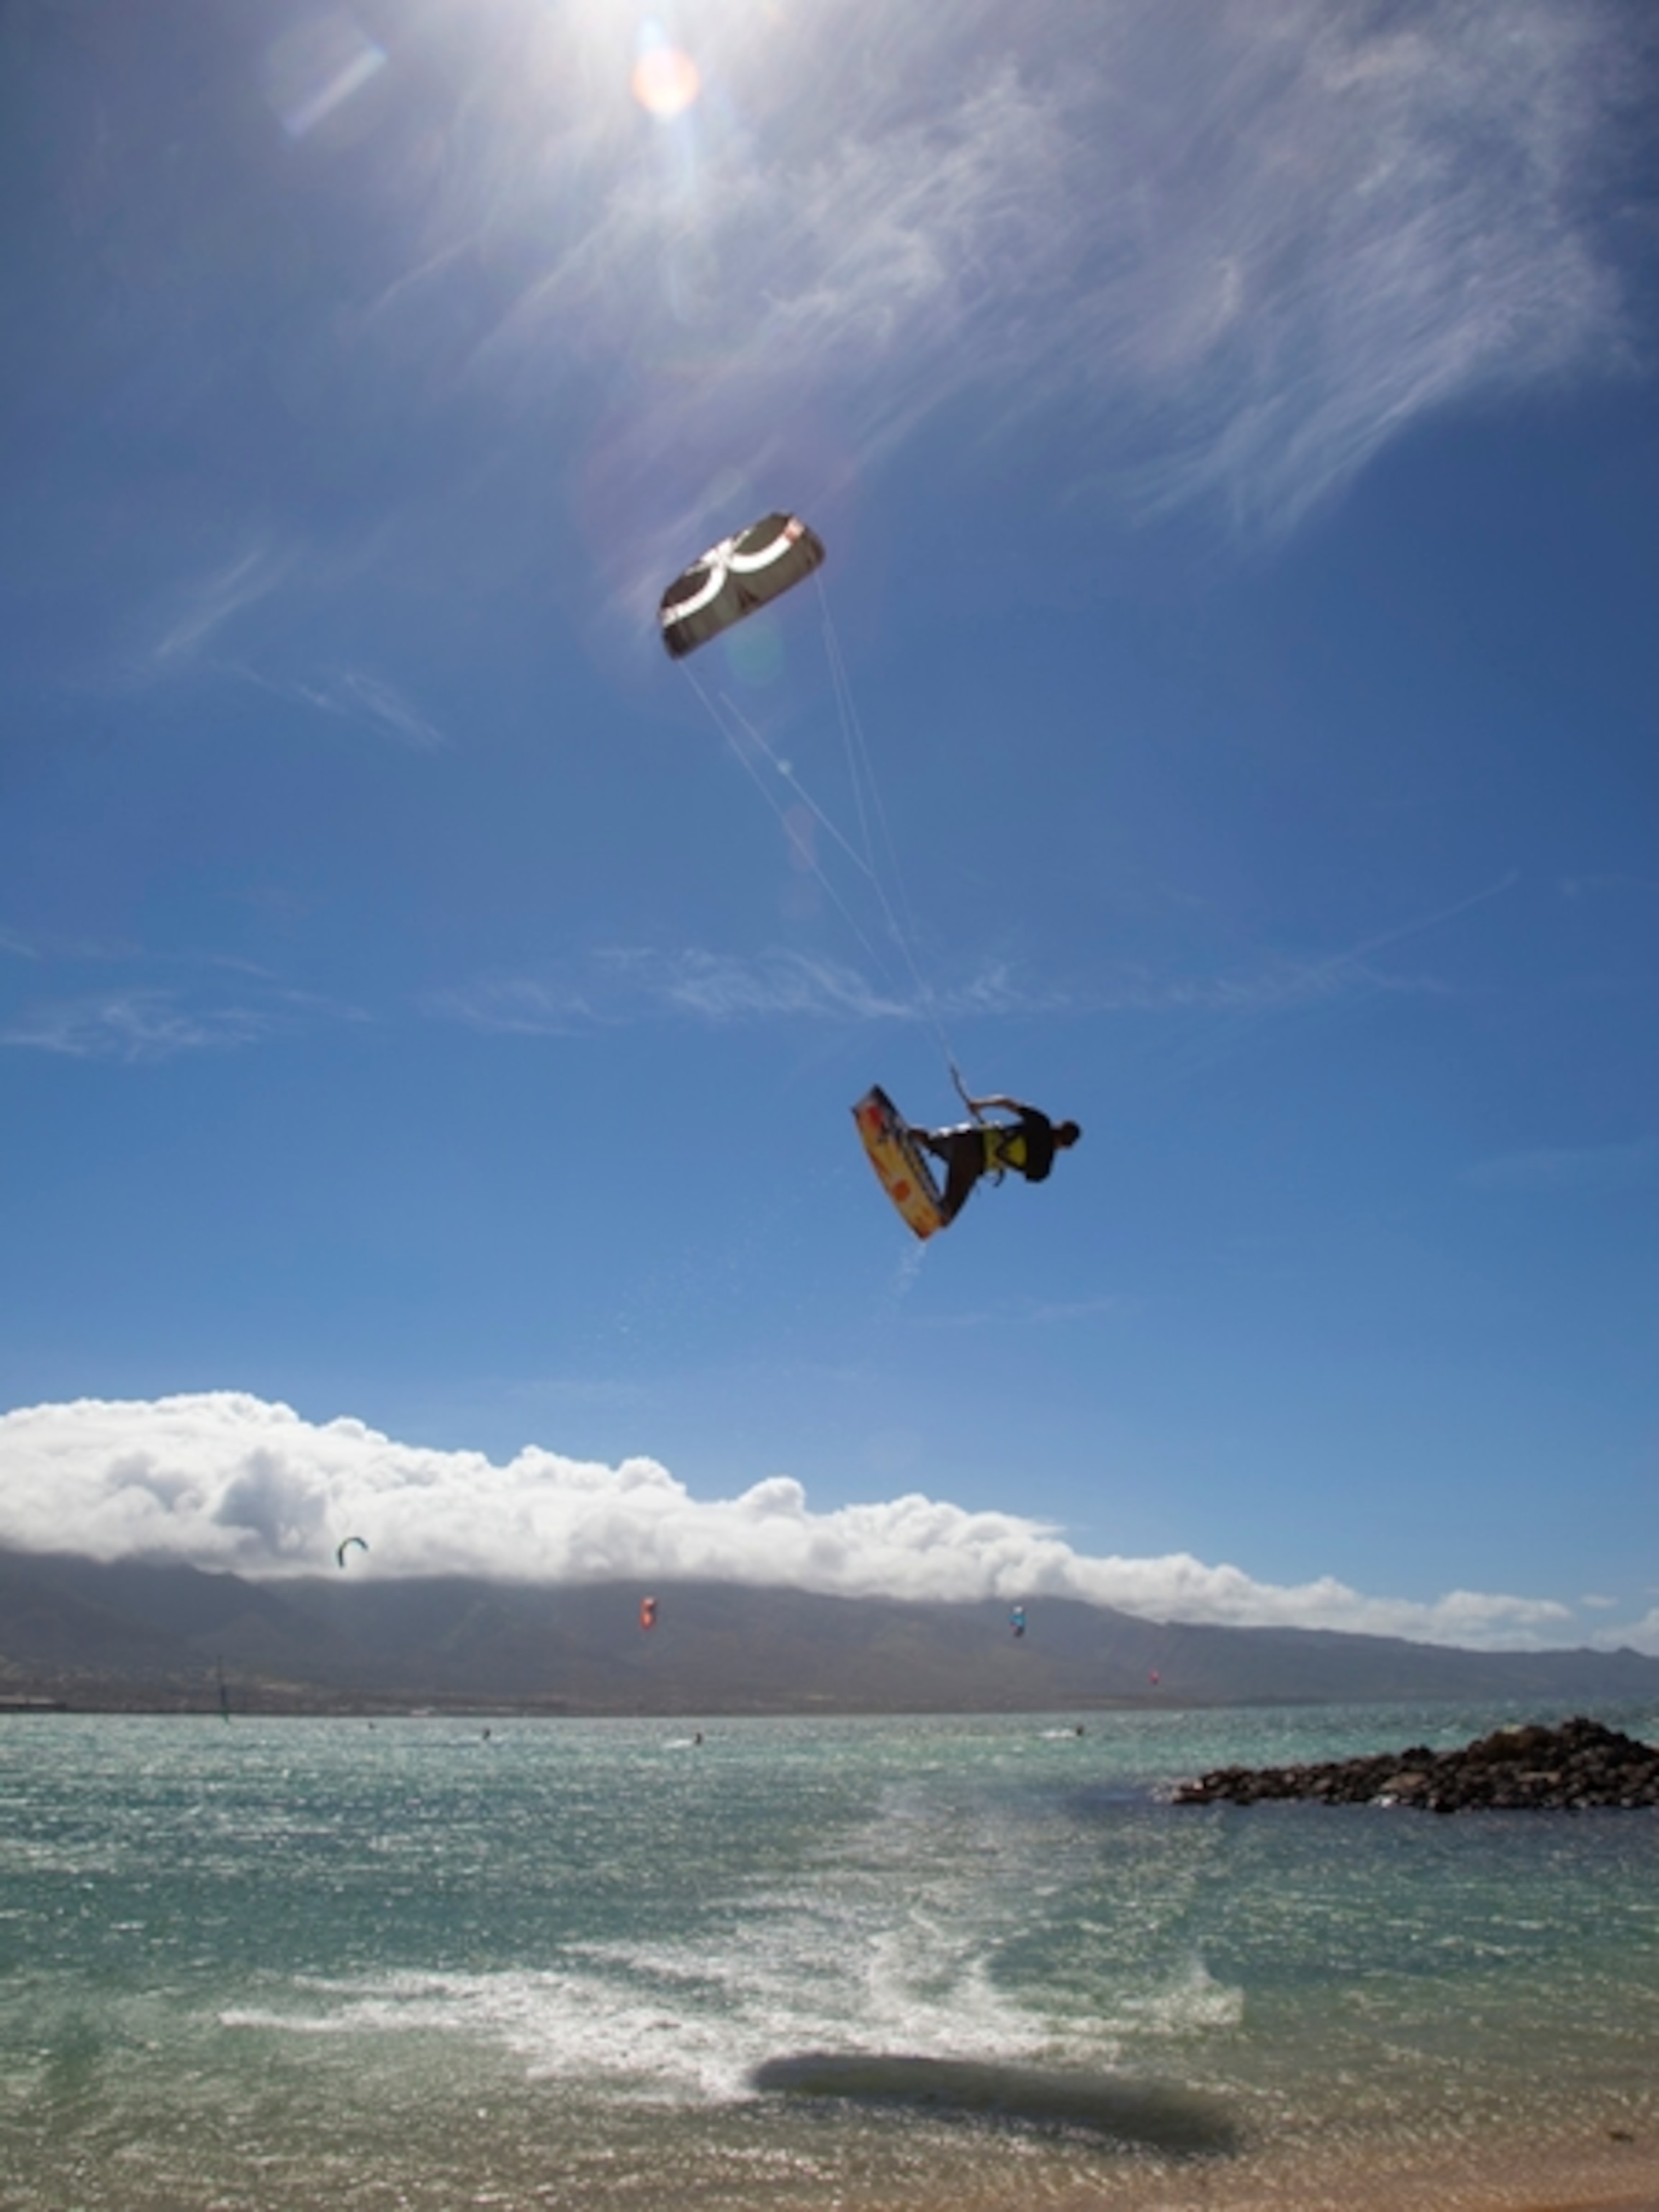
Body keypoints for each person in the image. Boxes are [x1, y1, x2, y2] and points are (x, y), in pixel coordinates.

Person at [909, 1094, 1081, 1225]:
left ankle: (902, 1132)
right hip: (974, 1163)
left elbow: (1007, 1102)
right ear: (1066, 1147)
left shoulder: (1042, 1122)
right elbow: (1030, 1175)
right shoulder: (1044, 1168)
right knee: (946, 1213)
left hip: (969, 1137)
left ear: (1058, 1125)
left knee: (929, 1139)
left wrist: (979, 1105)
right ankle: (927, 1215)